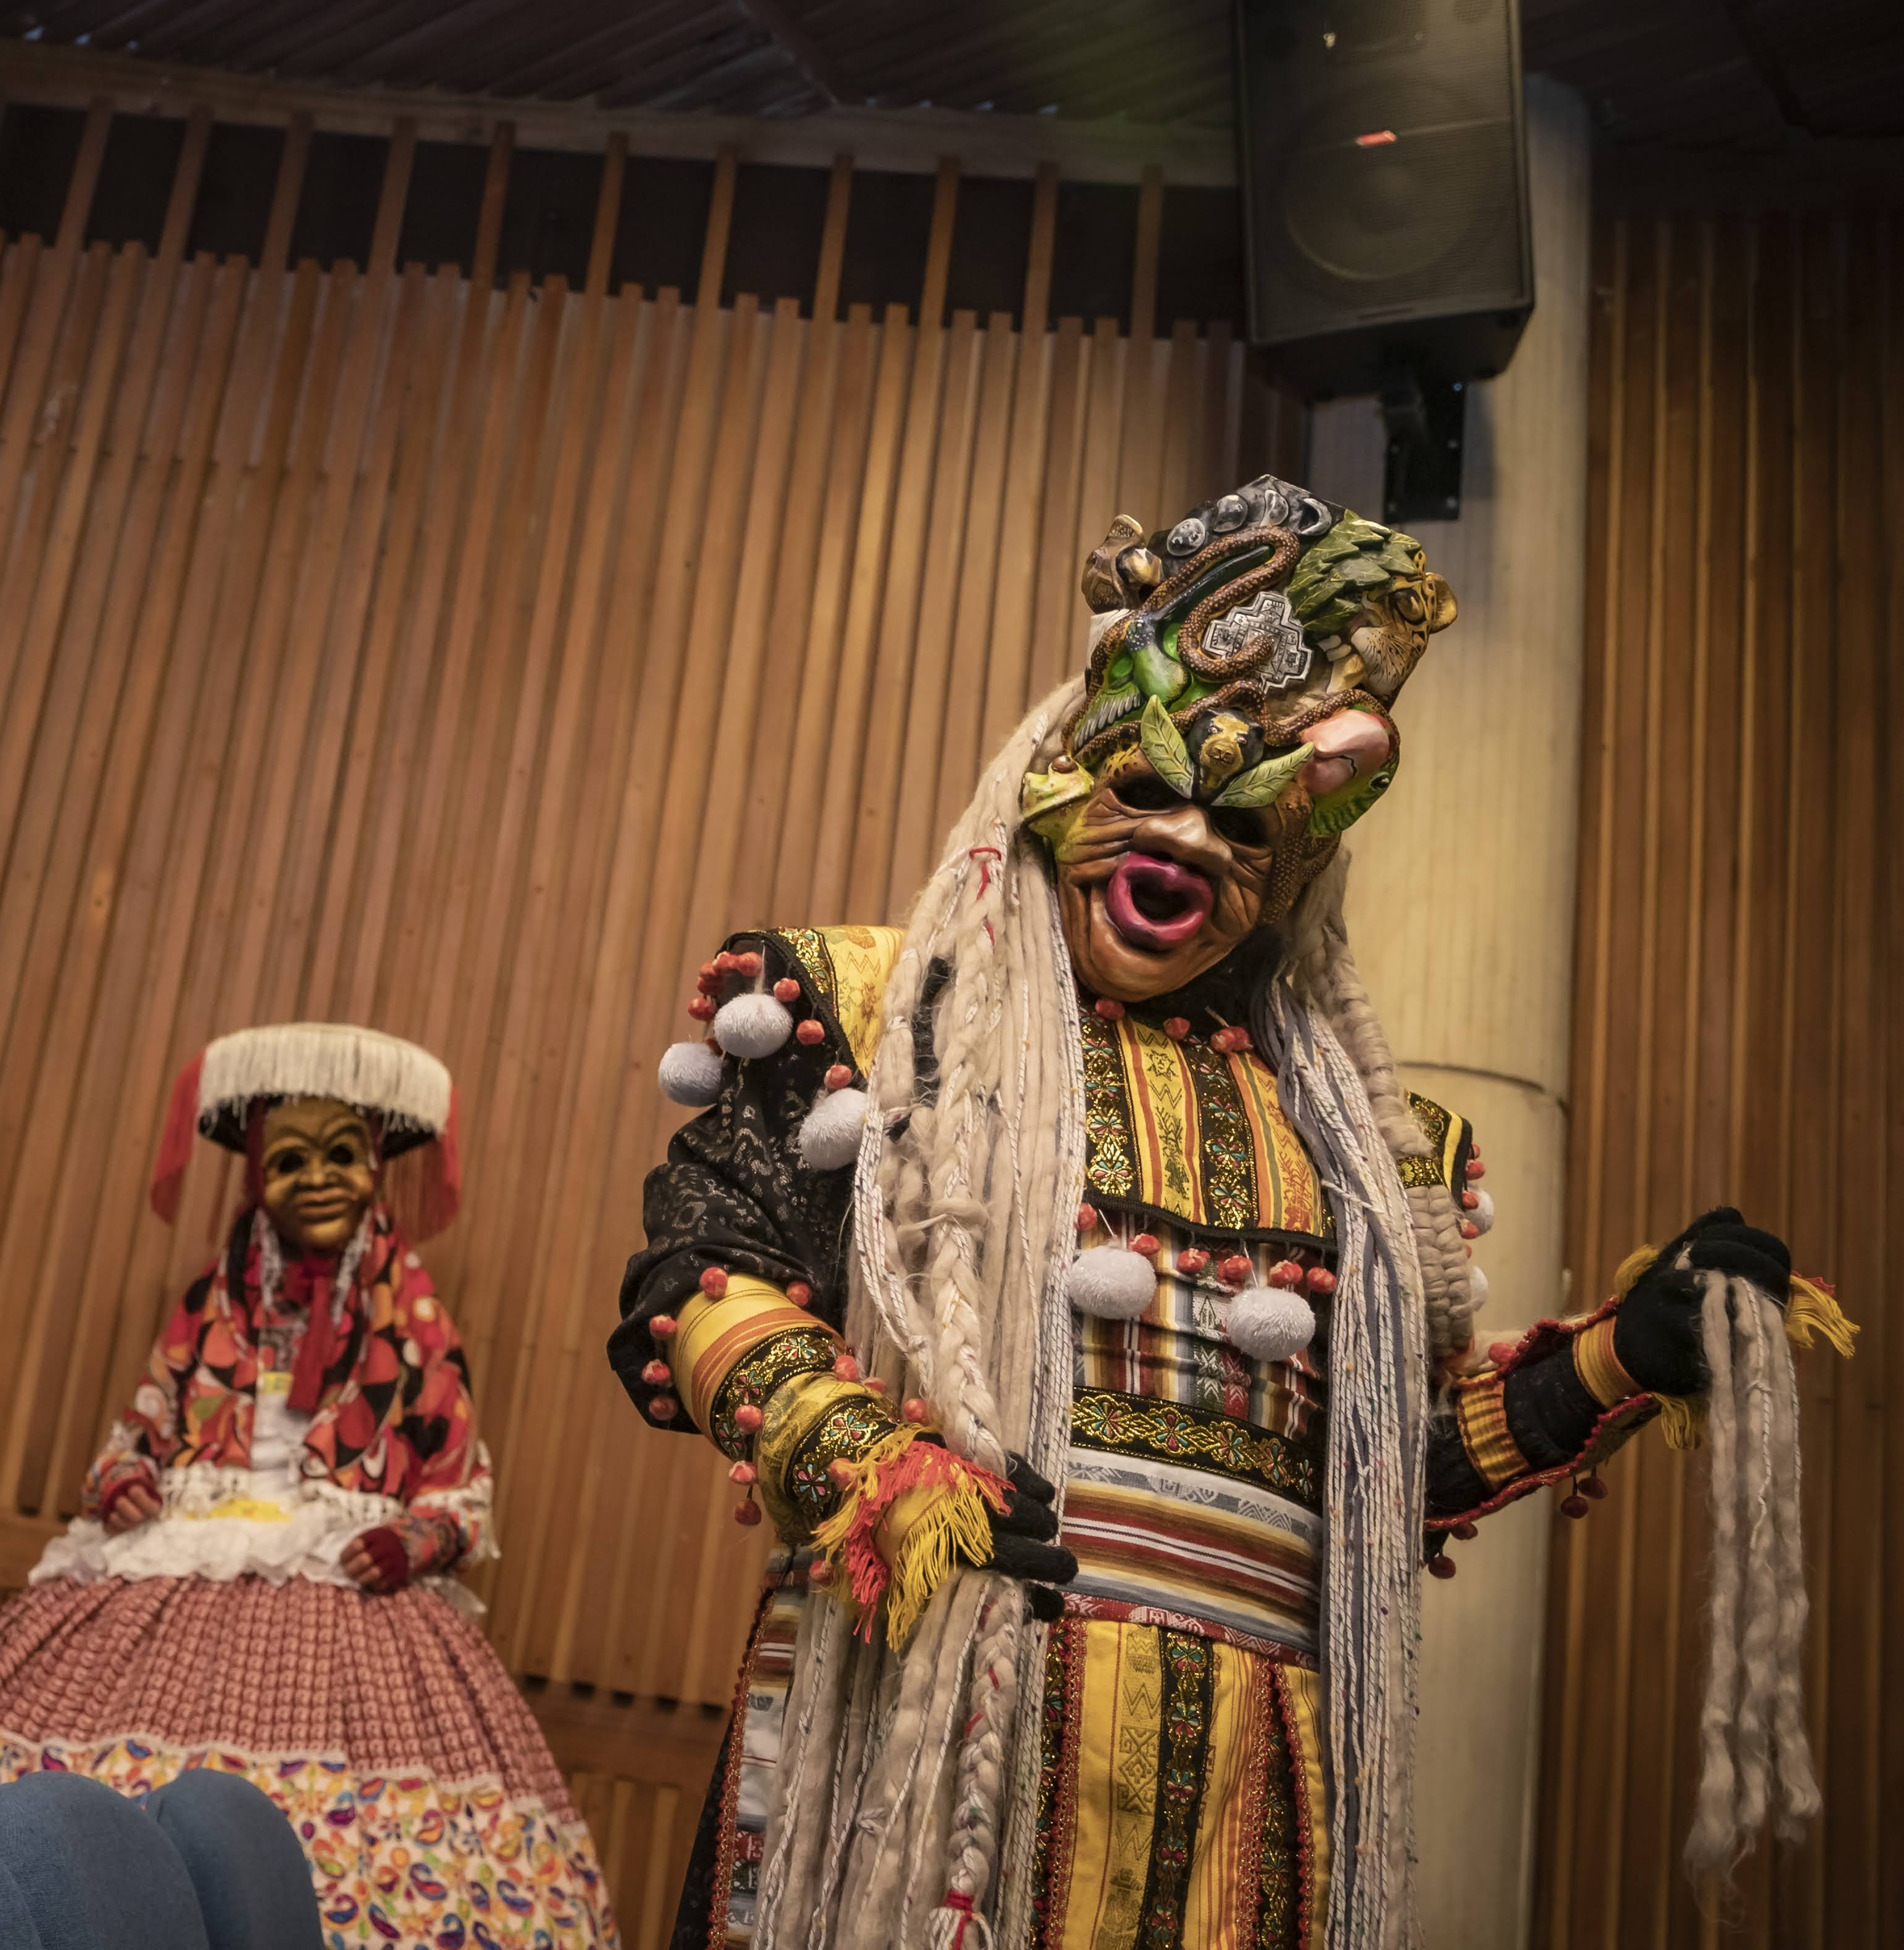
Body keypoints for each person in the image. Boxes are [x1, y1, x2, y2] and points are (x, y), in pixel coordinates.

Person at [614, 478, 1849, 1948]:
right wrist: (870, 1468)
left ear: (1289, 870)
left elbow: (1387, 1474)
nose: (1190, 841)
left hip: (1242, 1798)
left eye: (1244, 821)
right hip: (928, 1739)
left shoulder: (1364, 1147)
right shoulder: (882, 1015)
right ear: (1057, 783)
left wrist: (1619, 1355)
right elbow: (704, 1272)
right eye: (1146, 789)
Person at [0, 1023, 617, 1949]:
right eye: (288, 1160)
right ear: (253, 1176)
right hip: (177, 1557)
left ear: (376, 1168)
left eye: (341, 1155)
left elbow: (460, 1484)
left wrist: (419, 1536)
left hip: (345, 1585)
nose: (317, 1179)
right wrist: (125, 1477)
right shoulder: (211, 1303)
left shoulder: (413, 1319)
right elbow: (143, 1425)